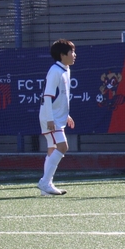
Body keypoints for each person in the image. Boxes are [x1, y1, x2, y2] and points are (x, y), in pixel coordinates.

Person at [37, 39, 76, 196]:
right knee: (63, 146)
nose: (74, 55)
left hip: (57, 117)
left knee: (52, 148)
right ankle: (45, 182)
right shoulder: (55, 70)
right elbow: (47, 96)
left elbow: (61, 97)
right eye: (71, 52)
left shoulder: (65, 69)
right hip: (50, 117)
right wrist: (50, 119)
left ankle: (46, 187)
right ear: (62, 55)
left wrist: (66, 115)